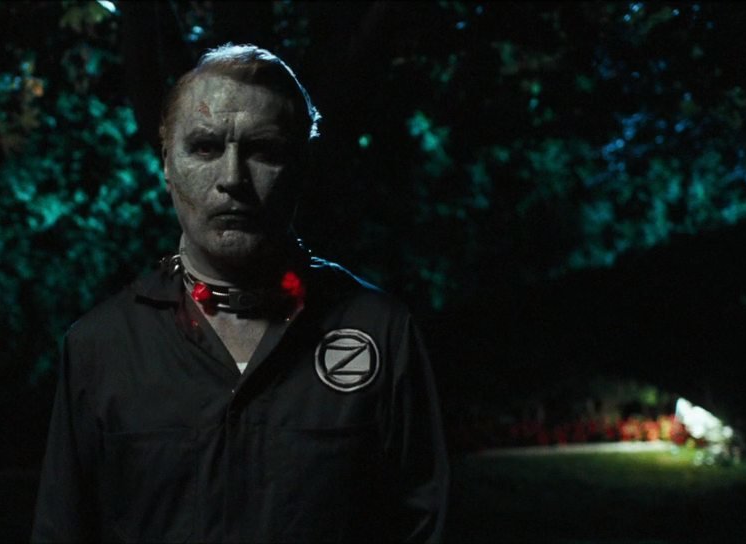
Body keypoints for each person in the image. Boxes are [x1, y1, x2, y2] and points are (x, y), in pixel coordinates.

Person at [32, 43, 448, 543]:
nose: (232, 179)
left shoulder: (381, 332)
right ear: (167, 164)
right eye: (205, 148)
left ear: (302, 166)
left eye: (264, 150)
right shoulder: (100, 348)